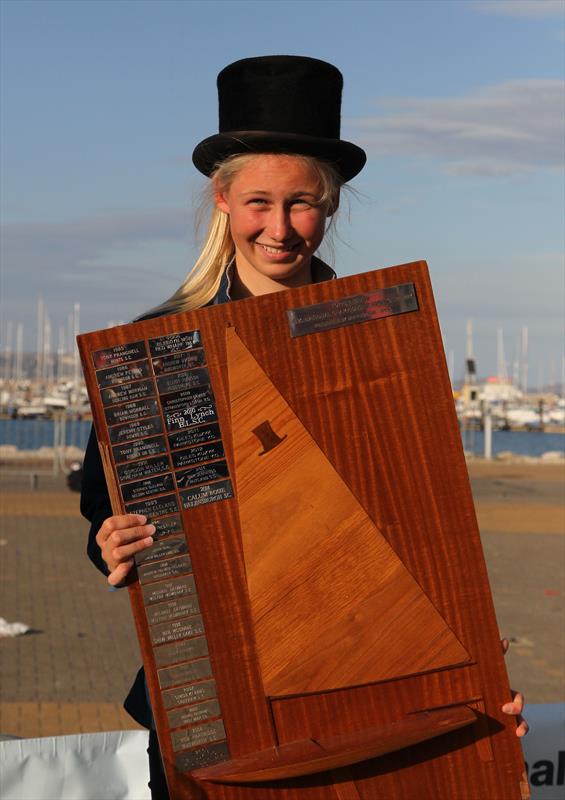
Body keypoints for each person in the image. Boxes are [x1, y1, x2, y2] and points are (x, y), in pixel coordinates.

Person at [81, 55, 527, 800]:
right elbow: (106, 506)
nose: (281, 228)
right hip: (223, 710)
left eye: (302, 204)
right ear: (221, 199)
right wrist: (110, 542)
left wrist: (473, 673)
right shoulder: (151, 348)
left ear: (332, 207)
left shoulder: (383, 334)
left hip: (383, 691)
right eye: (259, 201)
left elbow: (422, 526)